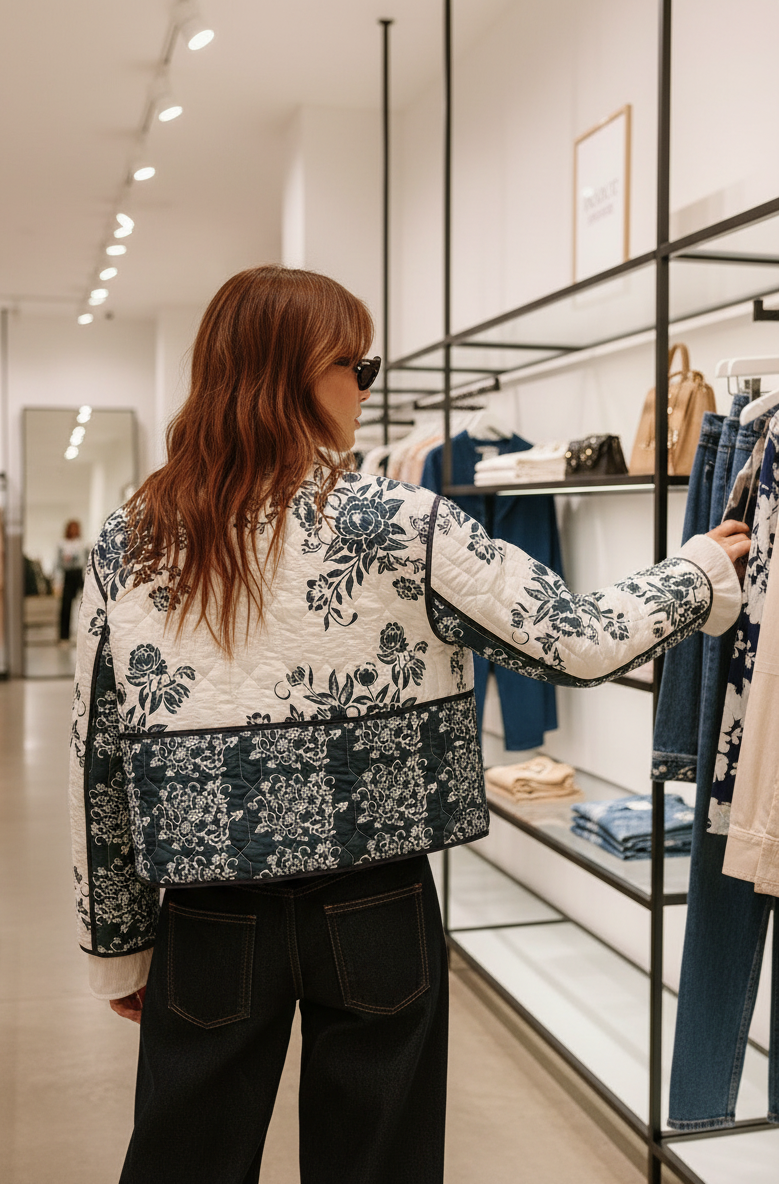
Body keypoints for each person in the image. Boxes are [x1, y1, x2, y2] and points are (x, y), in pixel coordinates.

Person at [68, 266, 749, 1184]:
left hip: (210, 911)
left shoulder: (130, 539)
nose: (366, 389)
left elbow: (97, 759)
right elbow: (578, 642)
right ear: (303, 374)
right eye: (361, 366)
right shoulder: (401, 523)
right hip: (375, 903)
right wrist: (698, 569)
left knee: (183, 1159)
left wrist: (121, 944)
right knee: (378, 1162)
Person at [56, 518, 87, 643]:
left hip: (79, 575)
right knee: (65, 606)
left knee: (83, 604)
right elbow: (58, 563)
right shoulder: (62, 544)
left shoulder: (83, 544)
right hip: (67, 575)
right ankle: (64, 636)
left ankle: (83, 634)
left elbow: (85, 561)